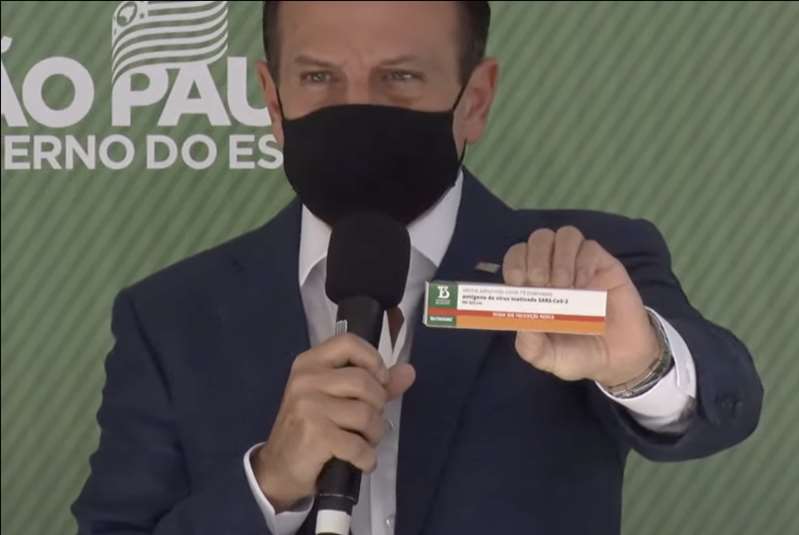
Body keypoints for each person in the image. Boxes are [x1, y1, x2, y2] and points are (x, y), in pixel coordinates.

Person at [72, 2, 763, 534]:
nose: (358, 109)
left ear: (476, 99)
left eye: (399, 78)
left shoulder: (580, 269)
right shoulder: (171, 316)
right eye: (318, 77)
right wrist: (269, 483)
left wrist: (640, 365)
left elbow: (724, 405)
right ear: (272, 99)